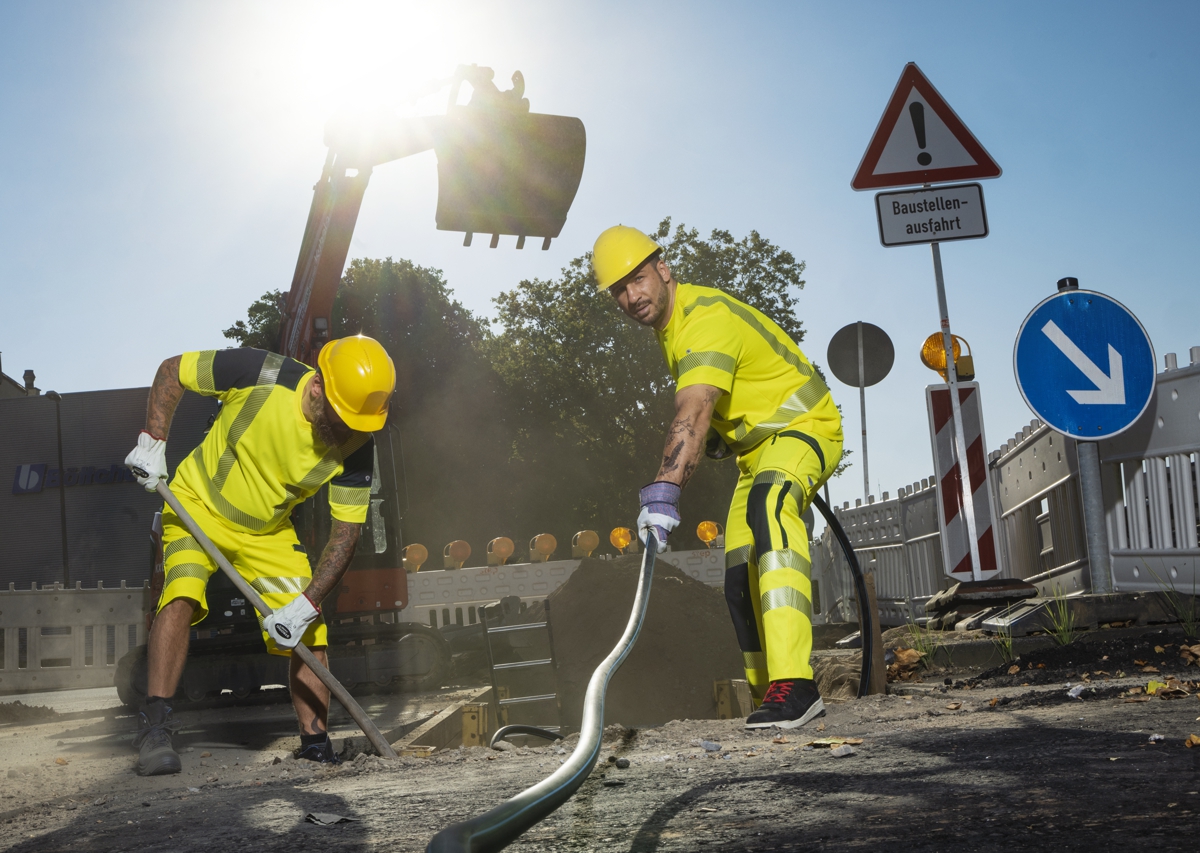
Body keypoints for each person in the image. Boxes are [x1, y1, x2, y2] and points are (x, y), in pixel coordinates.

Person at [593, 225, 843, 729]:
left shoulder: (703, 318)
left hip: (805, 427)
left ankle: (797, 685)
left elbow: (694, 409)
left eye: (638, 279)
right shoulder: (672, 331)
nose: (631, 296)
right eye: (619, 290)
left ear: (663, 270)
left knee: (770, 509)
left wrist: (663, 493)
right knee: (738, 574)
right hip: (757, 452)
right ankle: (769, 696)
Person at [123, 335, 396, 775]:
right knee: (182, 591)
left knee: (311, 627)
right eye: (341, 417)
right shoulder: (259, 371)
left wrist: (306, 603)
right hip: (196, 504)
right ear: (315, 388)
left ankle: (315, 746)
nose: (346, 431)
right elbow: (173, 370)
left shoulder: (358, 444)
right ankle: (155, 728)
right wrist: (153, 440)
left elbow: (345, 534)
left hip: (266, 533)